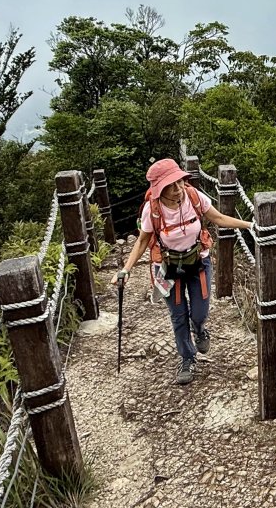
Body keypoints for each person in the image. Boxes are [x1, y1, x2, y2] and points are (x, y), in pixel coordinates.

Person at [111, 158, 253, 385]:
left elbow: (217, 218)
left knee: (199, 312)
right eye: (171, 185)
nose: (178, 189)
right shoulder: (153, 209)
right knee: (178, 315)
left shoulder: (194, 196)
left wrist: (249, 225)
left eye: (179, 182)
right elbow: (142, 241)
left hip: (198, 261)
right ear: (159, 190)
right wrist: (125, 270)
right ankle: (187, 358)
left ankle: (200, 329)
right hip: (168, 268)